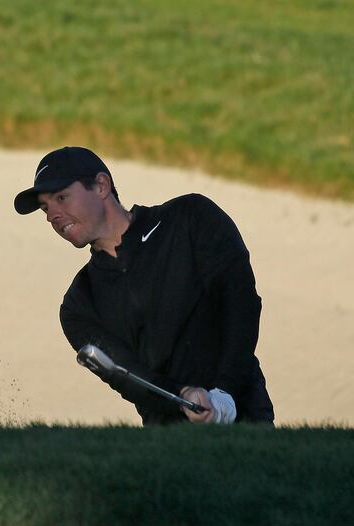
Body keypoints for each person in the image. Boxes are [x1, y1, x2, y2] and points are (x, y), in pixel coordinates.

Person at [14, 146, 274, 425]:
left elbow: (241, 302)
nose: (52, 215)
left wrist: (225, 393)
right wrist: (184, 397)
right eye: (46, 208)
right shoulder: (79, 305)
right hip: (166, 438)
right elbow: (127, 376)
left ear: (101, 186)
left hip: (246, 415)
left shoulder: (190, 218)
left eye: (62, 198)